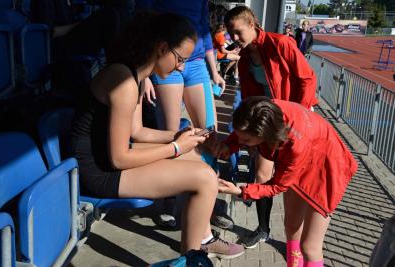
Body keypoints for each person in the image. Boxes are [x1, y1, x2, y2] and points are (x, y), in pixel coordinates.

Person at [71, 12, 244, 258]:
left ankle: (200, 240)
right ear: (162, 48)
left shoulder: (134, 75)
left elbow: (137, 132)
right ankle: (192, 256)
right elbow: (119, 158)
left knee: (199, 156)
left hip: (105, 156)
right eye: (180, 59)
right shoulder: (124, 82)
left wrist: (181, 135)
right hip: (98, 171)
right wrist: (175, 148)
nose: (182, 67)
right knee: (204, 178)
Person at [216, 97, 358, 267]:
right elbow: (244, 129)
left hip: (327, 169)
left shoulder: (295, 144)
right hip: (304, 157)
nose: (241, 144)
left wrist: (241, 191)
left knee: (310, 247)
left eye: (245, 142)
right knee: (291, 227)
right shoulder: (263, 111)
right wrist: (229, 145)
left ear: (264, 134)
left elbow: (278, 185)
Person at [221, 5, 318, 249]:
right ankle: (263, 229)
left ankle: (297, 239)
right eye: (230, 33)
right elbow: (250, 100)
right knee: (262, 174)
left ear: (252, 25)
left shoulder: (281, 43)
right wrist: (241, 139)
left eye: (238, 32)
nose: (233, 38)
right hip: (266, 121)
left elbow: (307, 79)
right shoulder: (244, 59)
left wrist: (301, 114)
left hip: (296, 119)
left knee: (291, 181)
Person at [137, 0, 227, 230]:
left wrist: (214, 72)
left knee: (210, 132)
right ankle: (169, 199)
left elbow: (205, 31)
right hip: (167, 58)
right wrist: (145, 73)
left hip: (195, 62)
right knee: (172, 132)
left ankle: (210, 192)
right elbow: (144, 22)